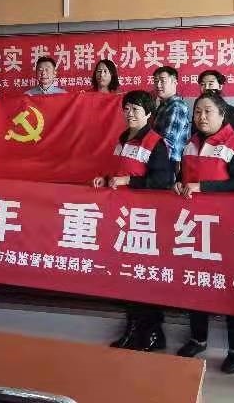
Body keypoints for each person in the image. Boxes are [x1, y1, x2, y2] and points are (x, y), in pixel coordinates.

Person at [174, 92, 234, 373]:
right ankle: (198, 338)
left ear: (222, 115)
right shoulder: (191, 143)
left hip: (228, 229)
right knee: (196, 283)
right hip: (194, 227)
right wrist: (178, 184)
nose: (202, 117)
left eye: (208, 111)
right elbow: (184, 176)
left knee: (232, 290)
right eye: (197, 112)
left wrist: (204, 188)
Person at [93, 90, 171, 351]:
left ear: (148, 113)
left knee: (144, 277)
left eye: (136, 109)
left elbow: (163, 181)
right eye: (126, 109)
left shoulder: (156, 142)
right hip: (122, 216)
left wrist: (129, 181)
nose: (129, 113)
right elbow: (119, 170)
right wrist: (105, 178)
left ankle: (153, 331)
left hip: (144, 219)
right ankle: (133, 327)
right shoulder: (123, 137)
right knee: (127, 276)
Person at [151, 66, 190, 179]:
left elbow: (167, 142)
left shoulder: (176, 106)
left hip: (167, 164)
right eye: (156, 81)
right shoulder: (163, 105)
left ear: (175, 82)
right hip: (161, 161)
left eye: (162, 81)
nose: (158, 85)